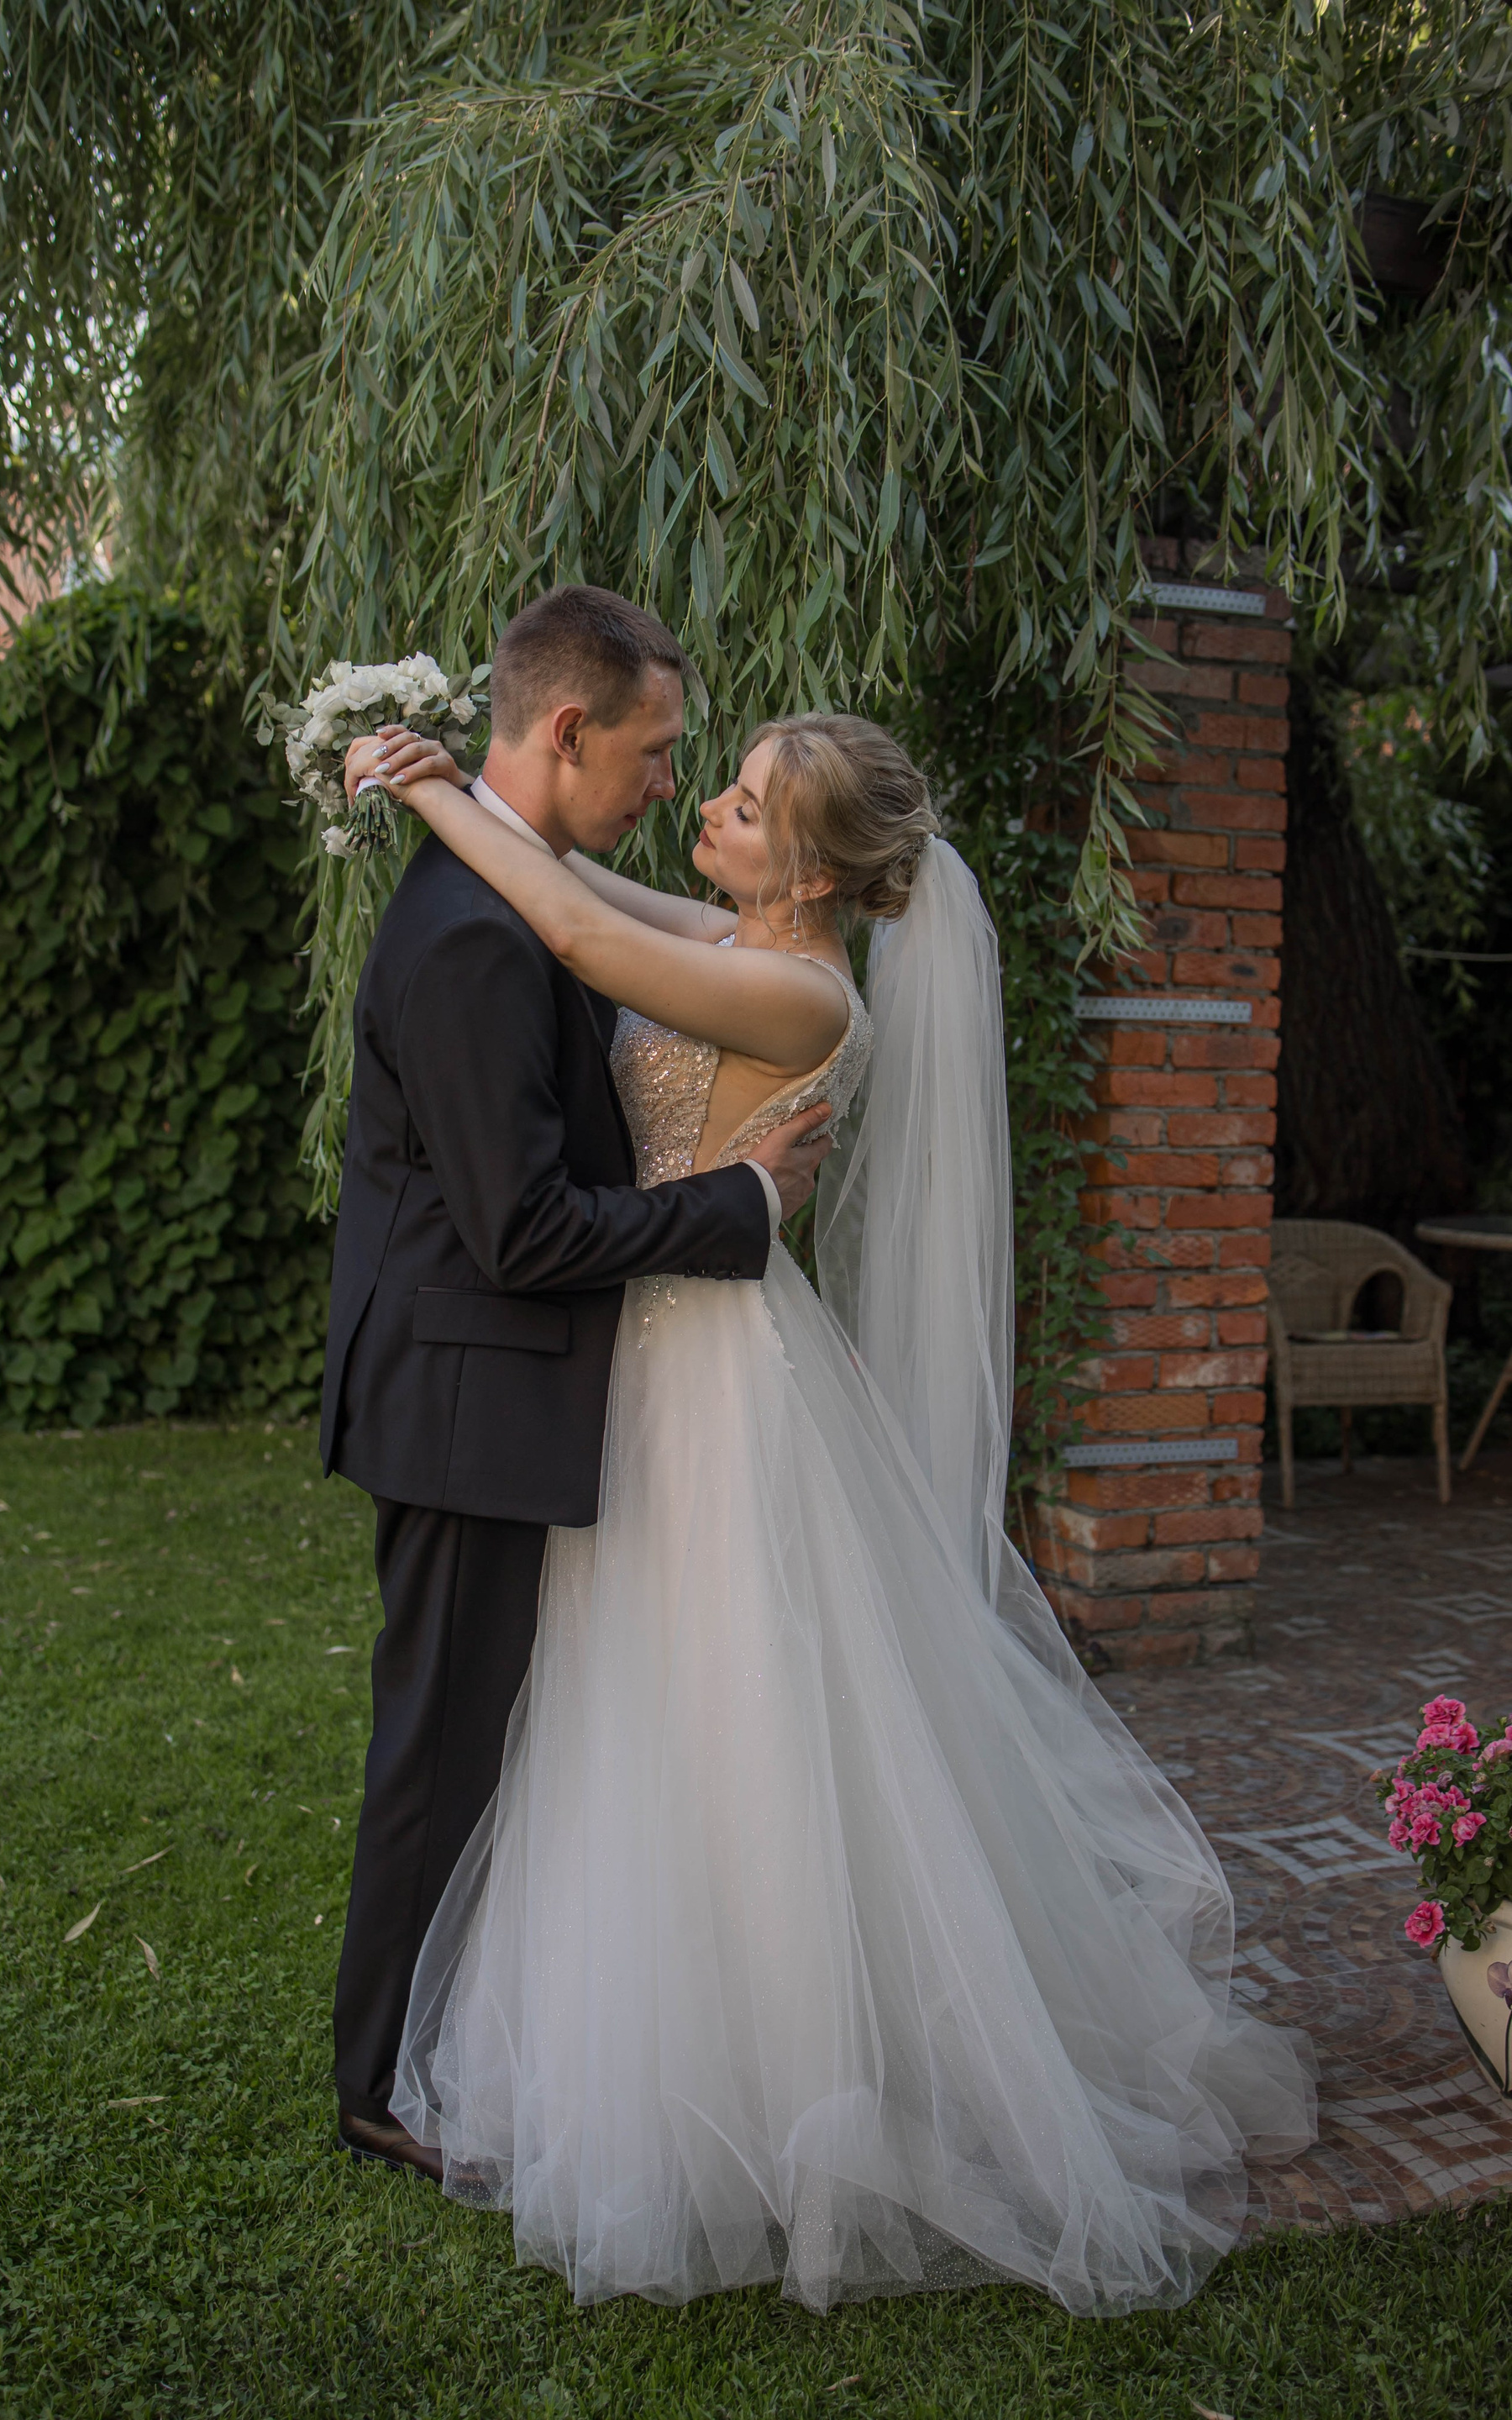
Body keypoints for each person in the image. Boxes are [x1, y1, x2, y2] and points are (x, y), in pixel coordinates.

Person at [341, 700, 1317, 2315]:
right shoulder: (738, 936)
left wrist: (427, 785)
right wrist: (478, 803)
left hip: (711, 1376)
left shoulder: (798, 994)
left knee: (724, 1701)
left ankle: (772, 2071)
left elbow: (575, 928)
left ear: (808, 874)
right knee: (625, 1696)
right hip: (655, 1349)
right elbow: (587, 892)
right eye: (718, 786)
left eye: (740, 803)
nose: (707, 810)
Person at [320, 587, 835, 2179]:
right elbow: (525, 1230)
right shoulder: (480, 939)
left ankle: (454, 2035)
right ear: (568, 730)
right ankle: (382, 2087)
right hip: (467, 1396)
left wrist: (443, 796)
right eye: (657, 751)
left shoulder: (504, 887)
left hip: (490, 1381)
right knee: (442, 1747)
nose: (669, 785)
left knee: (488, 1737)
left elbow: (598, 926)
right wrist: (744, 1206)